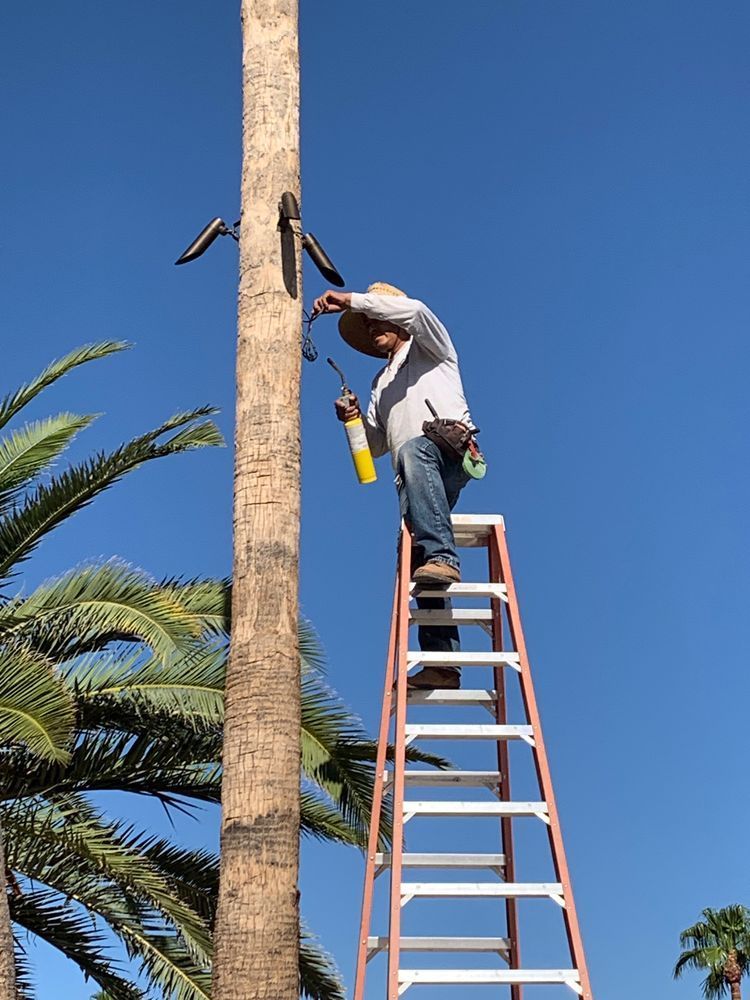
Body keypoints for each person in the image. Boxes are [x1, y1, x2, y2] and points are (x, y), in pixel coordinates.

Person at [312, 282, 481, 691]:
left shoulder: (430, 346)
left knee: (416, 456)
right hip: (412, 473)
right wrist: (353, 420)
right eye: (366, 324)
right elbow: (377, 446)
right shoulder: (380, 384)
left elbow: (418, 311)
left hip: (448, 449)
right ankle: (442, 664)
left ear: (396, 319)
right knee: (418, 559)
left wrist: (349, 301)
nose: (372, 327)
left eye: (377, 319)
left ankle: (445, 555)